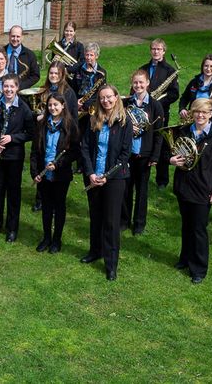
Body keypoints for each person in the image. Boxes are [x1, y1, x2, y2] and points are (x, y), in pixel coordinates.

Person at [170, 98, 212, 283]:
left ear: (210, 114)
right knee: (186, 225)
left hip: (203, 190)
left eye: (204, 112)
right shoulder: (184, 131)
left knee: (198, 229)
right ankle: (185, 258)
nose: (200, 115)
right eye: (197, 111)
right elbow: (171, 151)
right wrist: (171, 160)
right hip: (184, 186)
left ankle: (199, 269)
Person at [79, 85, 132, 282]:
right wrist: (91, 173)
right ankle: (95, 251)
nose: (106, 101)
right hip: (94, 176)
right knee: (96, 216)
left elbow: (125, 154)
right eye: (102, 98)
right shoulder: (94, 118)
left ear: (116, 97)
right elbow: (85, 147)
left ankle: (111, 264)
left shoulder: (125, 122)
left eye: (109, 97)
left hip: (114, 179)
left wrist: (107, 176)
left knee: (111, 222)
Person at [0, 74, 35, 242]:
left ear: (17, 88)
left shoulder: (23, 108)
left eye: (11, 87)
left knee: (13, 192)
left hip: (14, 156)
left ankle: (12, 228)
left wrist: (12, 138)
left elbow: (30, 133)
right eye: (5, 86)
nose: (8, 89)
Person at [30, 93, 78, 253]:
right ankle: (46, 238)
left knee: (59, 206)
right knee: (46, 207)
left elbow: (75, 152)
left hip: (61, 175)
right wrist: (35, 173)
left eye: (56, 104)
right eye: (50, 105)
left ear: (63, 105)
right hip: (43, 175)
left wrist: (58, 164)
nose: (52, 108)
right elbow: (34, 151)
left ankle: (57, 240)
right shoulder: (41, 125)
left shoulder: (70, 125)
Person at [122, 70, 164, 235]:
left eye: (141, 82)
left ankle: (139, 224)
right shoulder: (127, 103)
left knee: (142, 191)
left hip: (144, 155)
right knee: (126, 188)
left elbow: (159, 134)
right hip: (128, 154)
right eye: (135, 83)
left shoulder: (155, 105)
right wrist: (128, 127)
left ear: (147, 83)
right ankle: (124, 220)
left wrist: (155, 156)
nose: (138, 85)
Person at [139, 38, 179, 189]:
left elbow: (174, 94)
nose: (156, 51)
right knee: (143, 143)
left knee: (161, 145)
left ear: (164, 51)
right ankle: (142, 174)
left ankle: (162, 180)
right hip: (143, 112)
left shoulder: (170, 71)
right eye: (153, 49)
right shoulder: (143, 69)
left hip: (160, 113)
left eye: (159, 49)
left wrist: (157, 104)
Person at [178, 54, 212, 130]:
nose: (208, 69)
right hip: (192, 123)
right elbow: (184, 98)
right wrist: (182, 108)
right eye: (206, 66)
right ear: (202, 67)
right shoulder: (194, 82)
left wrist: (209, 110)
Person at [4, 25, 40, 90]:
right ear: (9, 36)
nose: (15, 39)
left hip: (21, 91)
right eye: (13, 36)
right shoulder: (1, 52)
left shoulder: (30, 55)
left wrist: (21, 86)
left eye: (18, 36)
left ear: (22, 37)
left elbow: (35, 76)